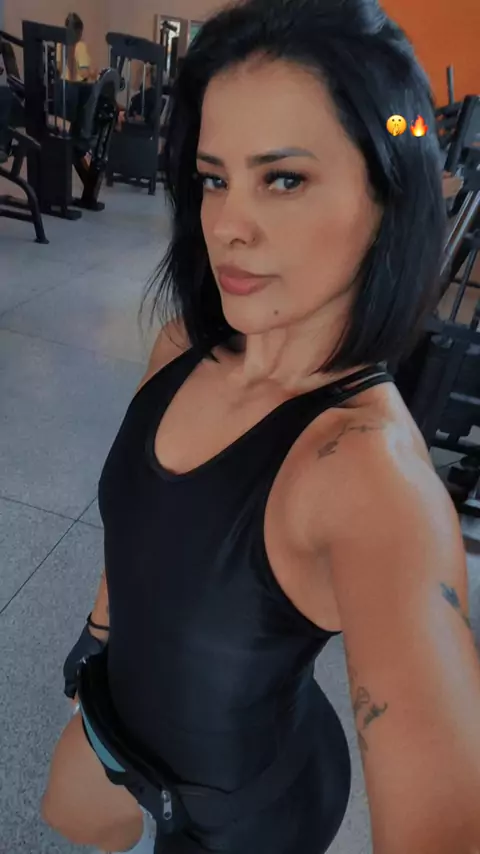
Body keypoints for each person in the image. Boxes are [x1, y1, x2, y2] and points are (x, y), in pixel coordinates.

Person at [42, 0, 480, 852]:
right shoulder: (181, 348)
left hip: (253, 811)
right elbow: (138, 527)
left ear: (387, 194)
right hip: (120, 721)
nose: (227, 227)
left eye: (283, 179)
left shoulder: (372, 476)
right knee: (69, 815)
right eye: (215, 178)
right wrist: (98, 634)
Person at [56, 13, 95, 83]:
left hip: (62, 83)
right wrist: (92, 74)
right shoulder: (80, 46)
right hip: (76, 85)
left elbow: (58, 67)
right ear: (79, 31)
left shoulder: (60, 45)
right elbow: (84, 73)